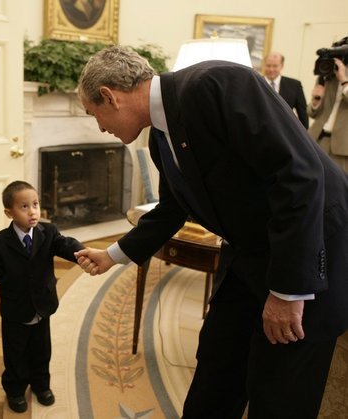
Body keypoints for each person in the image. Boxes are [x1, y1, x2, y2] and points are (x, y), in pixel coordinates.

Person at [75, 45, 348, 419]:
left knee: (280, 391)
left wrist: (287, 291)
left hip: (306, 250)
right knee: (215, 369)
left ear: (110, 96)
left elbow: (299, 175)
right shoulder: (160, 136)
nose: (100, 127)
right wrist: (112, 255)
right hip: (247, 255)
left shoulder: (216, 83)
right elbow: (172, 208)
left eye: (95, 115)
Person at [0, 180, 84, 413]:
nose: (32, 211)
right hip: (15, 310)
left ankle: (41, 384)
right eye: (24, 207)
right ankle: (15, 389)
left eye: (35, 204)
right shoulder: (0, 241)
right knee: (15, 353)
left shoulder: (48, 231)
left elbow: (64, 245)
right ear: (9, 212)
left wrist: (80, 252)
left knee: (41, 349)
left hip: (42, 306)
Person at [308, 51, 348, 172]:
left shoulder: (342, 79)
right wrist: (316, 100)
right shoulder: (327, 76)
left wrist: (344, 80)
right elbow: (312, 113)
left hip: (341, 145)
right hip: (318, 138)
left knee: (337, 185)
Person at [263, 51, 309, 128]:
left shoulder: (295, 86)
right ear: (264, 65)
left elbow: (303, 115)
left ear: (282, 66)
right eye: (268, 65)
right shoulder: (255, 83)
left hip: (284, 132)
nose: (271, 70)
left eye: (275, 66)